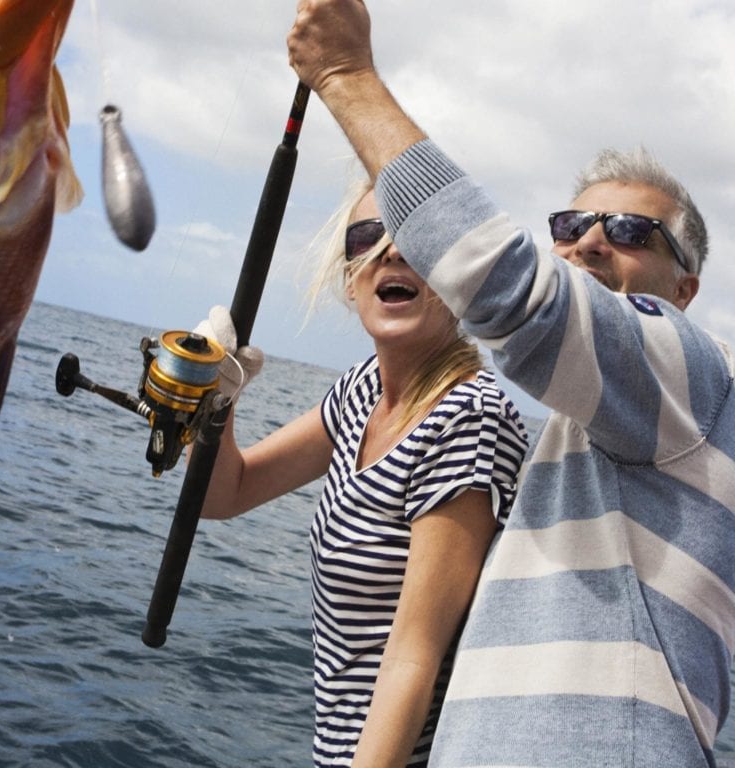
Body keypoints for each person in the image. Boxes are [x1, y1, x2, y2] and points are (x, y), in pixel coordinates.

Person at [286, 2, 735, 766]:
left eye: (630, 231)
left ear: (684, 289)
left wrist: (345, 77)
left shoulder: (689, 365)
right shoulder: (591, 428)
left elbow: (509, 292)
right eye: (569, 225)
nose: (590, 242)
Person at [197, 181, 529, 767]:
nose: (391, 251)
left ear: (460, 278)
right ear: (351, 278)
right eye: (367, 236)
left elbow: (413, 658)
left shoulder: (467, 418)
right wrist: (218, 405)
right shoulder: (361, 390)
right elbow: (227, 493)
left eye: (417, 236)